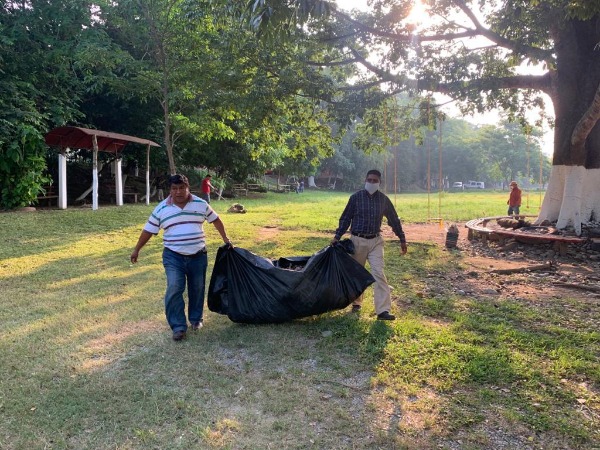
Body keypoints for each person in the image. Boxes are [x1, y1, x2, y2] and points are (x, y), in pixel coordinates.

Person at [130, 174, 232, 341]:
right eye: (174, 188)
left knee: (197, 288)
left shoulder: (201, 204)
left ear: (187, 188)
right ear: (170, 190)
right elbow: (148, 230)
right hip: (173, 256)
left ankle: (196, 319)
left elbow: (216, 220)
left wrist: (226, 239)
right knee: (175, 287)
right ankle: (178, 327)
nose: (178, 192)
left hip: (198, 255)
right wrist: (137, 250)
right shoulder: (161, 209)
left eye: (181, 188)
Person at [331, 169, 407, 321]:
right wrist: (337, 236)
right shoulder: (356, 198)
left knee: (378, 273)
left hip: (376, 241)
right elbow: (345, 218)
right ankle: (356, 303)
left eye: (375, 181)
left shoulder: (383, 200)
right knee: (357, 273)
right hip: (357, 241)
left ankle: (383, 311)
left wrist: (402, 239)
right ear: (365, 180)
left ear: (379, 182)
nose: (371, 183)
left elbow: (393, 219)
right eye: (369, 180)